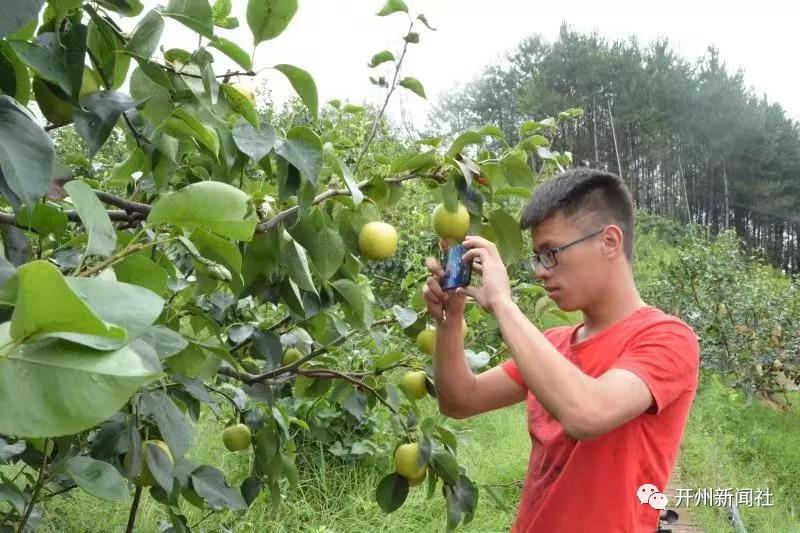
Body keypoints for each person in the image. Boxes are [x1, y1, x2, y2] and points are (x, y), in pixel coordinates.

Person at [422, 168, 700, 532]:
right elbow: (459, 400)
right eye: (538, 256)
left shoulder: (667, 338)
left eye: (550, 252)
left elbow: (586, 413)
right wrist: (450, 318)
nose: (540, 271)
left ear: (610, 242)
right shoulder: (552, 344)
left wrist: (504, 304)